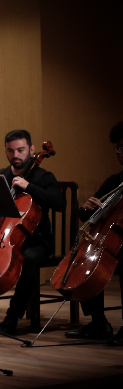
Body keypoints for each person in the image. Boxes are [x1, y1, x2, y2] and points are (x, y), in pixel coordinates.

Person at [0, 129, 66, 334]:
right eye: (10, 151)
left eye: (21, 150)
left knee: (29, 259)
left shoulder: (43, 176)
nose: (15, 155)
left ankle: (12, 317)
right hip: (0, 236)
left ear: (31, 149)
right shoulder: (1, 176)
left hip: (36, 239)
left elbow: (60, 203)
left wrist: (30, 186)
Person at [64, 121, 123, 345]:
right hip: (112, 244)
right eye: (116, 148)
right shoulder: (115, 181)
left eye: (122, 147)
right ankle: (99, 323)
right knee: (83, 262)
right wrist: (86, 208)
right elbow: (89, 215)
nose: (118, 153)